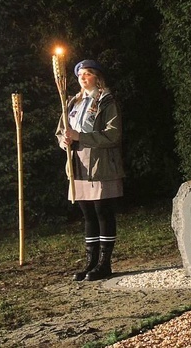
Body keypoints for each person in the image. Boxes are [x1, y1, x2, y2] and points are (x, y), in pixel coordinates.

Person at [56, 59, 124, 281]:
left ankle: (105, 263)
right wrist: (64, 141)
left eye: (87, 74)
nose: (83, 78)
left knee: (102, 211)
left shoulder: (106, 101)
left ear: (97, 77)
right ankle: (90, 262)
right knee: (87, 214)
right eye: (80, 75)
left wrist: (80, 137)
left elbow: (113, 135)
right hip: (77, 163)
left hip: (101, 162)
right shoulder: (72, 102)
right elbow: (60, 132)